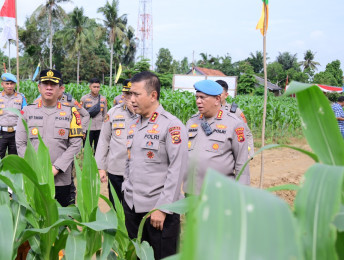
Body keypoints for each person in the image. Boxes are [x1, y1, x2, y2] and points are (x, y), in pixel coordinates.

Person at [123, 71, 187, 259]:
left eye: (136, 94)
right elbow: (130, 160)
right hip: (133, 208)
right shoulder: (134, 123)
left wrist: (163, 208)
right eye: (130, 94)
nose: (131, 99)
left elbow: (177, 170)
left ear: (153, 95)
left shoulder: (171, 126)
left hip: (158, 213)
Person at [15, 69, 83, 207]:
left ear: (61, 89)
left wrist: (56, 168)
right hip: (34, 177)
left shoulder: (71, 112)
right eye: (45, 84)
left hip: (61, 180)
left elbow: (76, 145)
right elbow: (20, 143)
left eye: (53, 84)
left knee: (62, 219)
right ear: (39, 87)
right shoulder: (27, 112)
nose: (49, 87)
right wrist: (33, 167)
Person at [185, 80, 250, 194]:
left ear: (217, 99)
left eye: (202, 98)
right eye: (197, 97)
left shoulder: (234, 123)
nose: (198, 101)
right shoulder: (192, 121)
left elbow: (242, 164)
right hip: (192, 193)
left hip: (219, 194)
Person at [95, 79, 137, 207]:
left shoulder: (145, 114)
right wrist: (101, 168)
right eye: (127, 94)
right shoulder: (113, 113)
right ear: (123, 95)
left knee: (134, 210)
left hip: (138, 172)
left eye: (134, 94)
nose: (130, 98)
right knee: (115, 206)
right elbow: (103, 140)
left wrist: (135, 112)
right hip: (116, 169)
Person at [0, 73, 27, 159]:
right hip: (0, 134)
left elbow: (25, 117)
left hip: (16, 134)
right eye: (7, 83)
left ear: (15, 84)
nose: (9, 86)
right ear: (2, 84)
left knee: (15, 160)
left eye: (11, 83)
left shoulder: (21, 98)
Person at [216, 79, 254, 156]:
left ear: (226, 95)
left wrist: (249, 153)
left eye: (219, 93)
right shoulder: (204, 111)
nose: (216, 96)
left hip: (229, 155)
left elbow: (247, 133)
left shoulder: (235, 112)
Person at [80, 78, 107, 152]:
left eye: (98, 87)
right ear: (90, 87)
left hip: (100, 128)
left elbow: (105, 115)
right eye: (94, 87)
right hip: (88, 128)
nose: (96, 89)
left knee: (99, 150)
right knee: (87, 150)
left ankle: (97, 163)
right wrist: (83, 130)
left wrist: (105, 129)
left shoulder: (103, 99)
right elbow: (81, 115)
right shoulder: (84, 99)